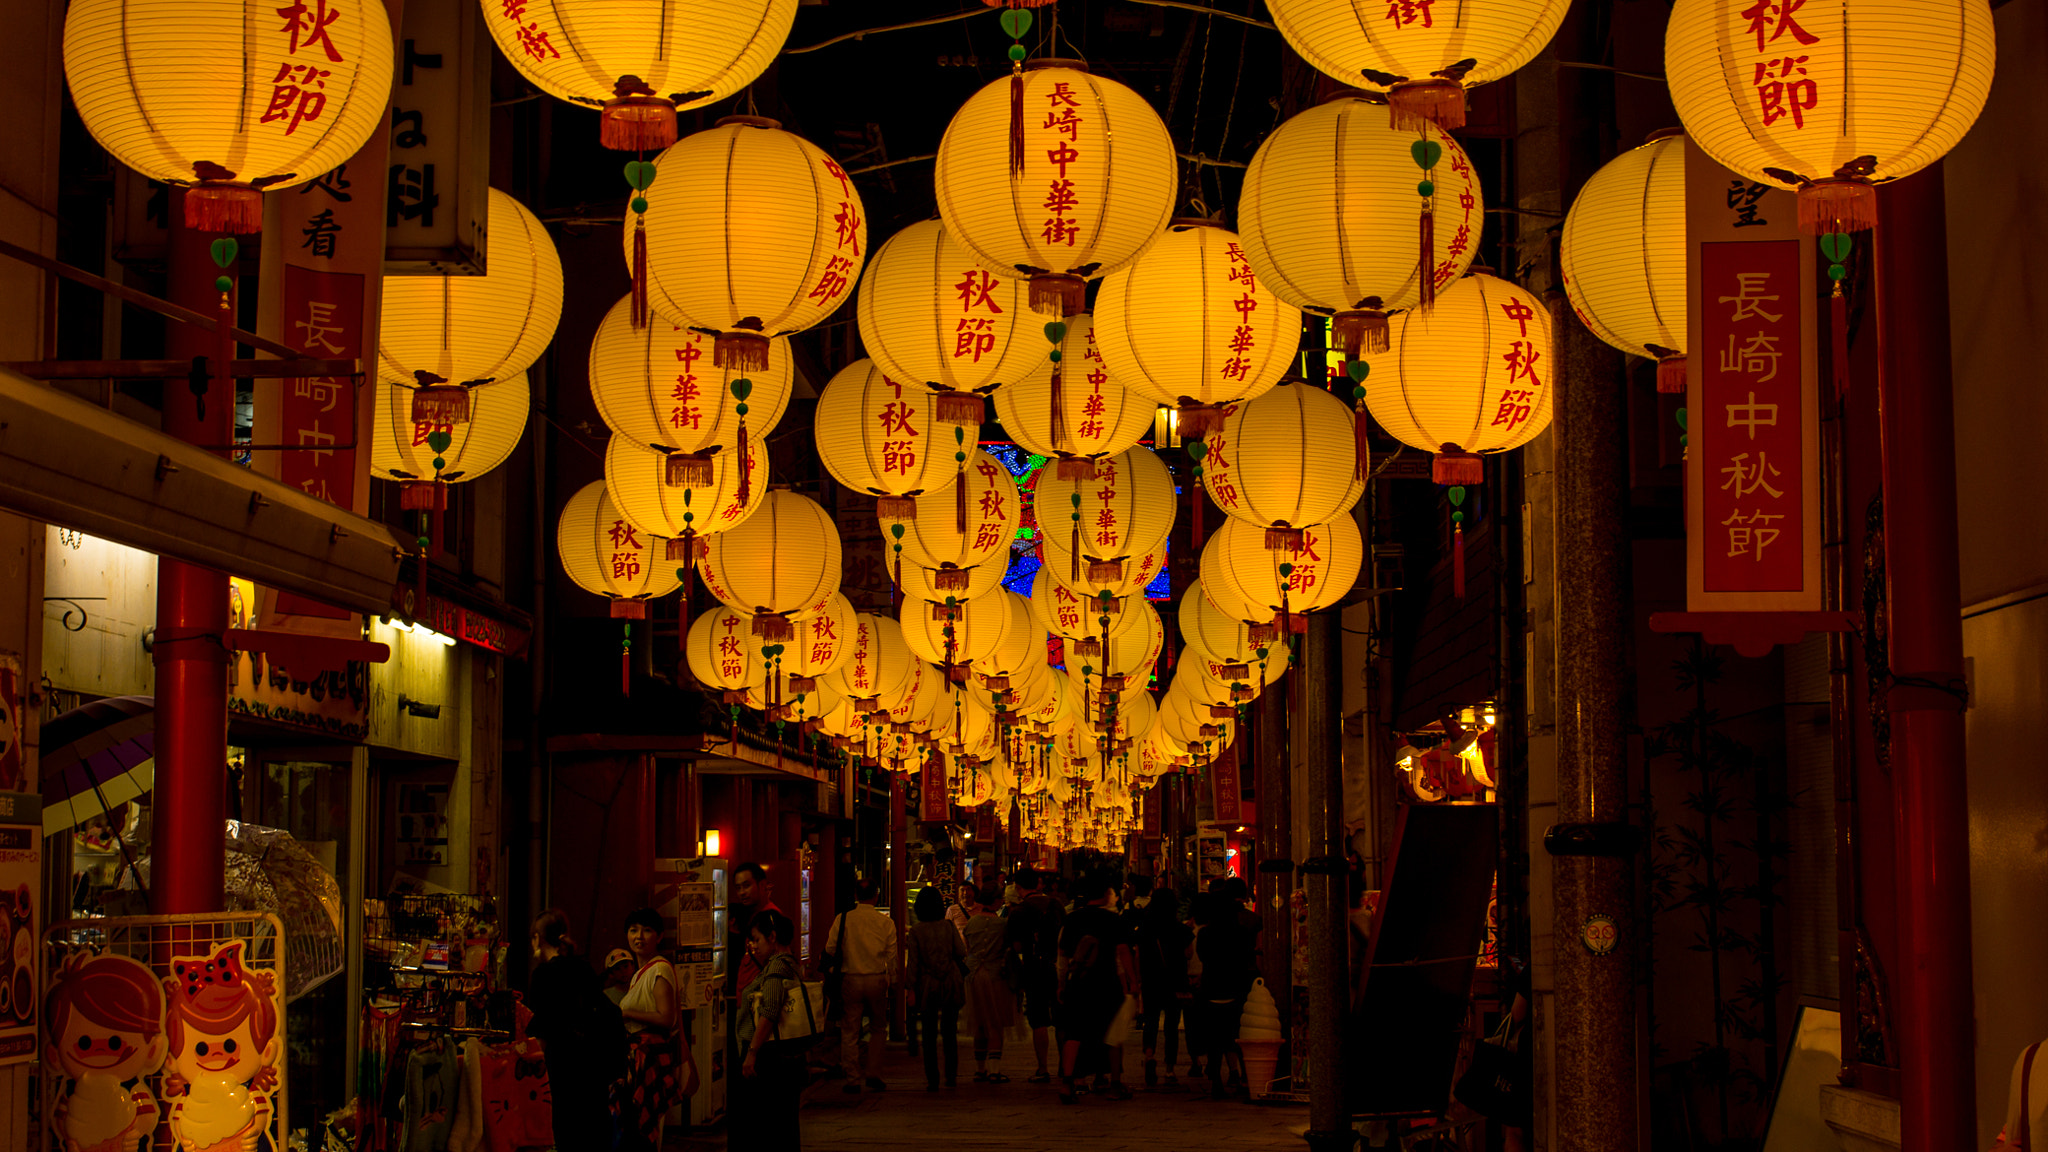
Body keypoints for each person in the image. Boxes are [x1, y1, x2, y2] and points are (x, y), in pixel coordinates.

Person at [525, 910, 616, 1152]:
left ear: (537, 938)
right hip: (593, 1066)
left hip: (562, 1068)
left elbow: (542, 1029)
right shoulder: (583, 968)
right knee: (593, 1136)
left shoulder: (543, 974)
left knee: (566, 1135)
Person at [614, 907, 694, 1152]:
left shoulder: (659, 969)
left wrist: (625, 1013)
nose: (639, 936)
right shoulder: (640, 972)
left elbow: (666, 1017)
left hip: (650, 1060)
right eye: (633, 930)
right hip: (639, 1061)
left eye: (647, 931)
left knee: (645, 1134)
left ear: (659, 936)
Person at [1057, 875, 1138, 1104]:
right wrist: (1133, 982)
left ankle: (1067, 1082)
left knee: (1074, 1034)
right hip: (1106, 981)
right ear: (1104, 894)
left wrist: (1062, 983)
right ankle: (1114, 1083)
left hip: (1077, 982)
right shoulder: (1115, 920)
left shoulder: (1071, 919)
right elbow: (1123, 951)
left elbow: (1062, 955)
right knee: (1112, 1034)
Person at [735, 909, 806, 1152]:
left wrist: (752, 1052)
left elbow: (770, 1009)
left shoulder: (777, 967)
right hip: (783, 1057)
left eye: (757, 939)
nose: (753, 946)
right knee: (783, 1123)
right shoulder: (791, 963)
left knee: (767, 1124)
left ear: (772, 937)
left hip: (769, 1057)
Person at [824, 877, 897, 1094]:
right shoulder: (886, 922)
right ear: (876, 896)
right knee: (877, 1027)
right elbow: (891, 957)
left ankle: (852, 1077)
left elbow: (830, 948)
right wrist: (891, 980)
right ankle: (873, 1074)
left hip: (851, 978)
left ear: (855, 896)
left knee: (850, 1029)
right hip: (876, 978)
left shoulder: (843, 919)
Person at [1004, 869, 1065, 1083]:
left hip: (1033, 969)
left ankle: (1042, 1068)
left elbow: (1016, 945)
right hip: (1057, 967)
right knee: (1061, 1019)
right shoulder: (1056, 905)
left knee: (1038, 1020)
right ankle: (1065, 1066)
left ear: (1019, 888)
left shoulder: (1019, 912)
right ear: (1038, 884)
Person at [903, 885, 965, 1090]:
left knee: (928, 1033)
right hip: (950, 982)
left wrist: (909, 987)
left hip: (927, 985)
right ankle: (951, 1075)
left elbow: (913, 963)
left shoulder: (917, 931)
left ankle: (933, 1079)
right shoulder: (948, 926)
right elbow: (961, 950)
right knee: (949, 1031)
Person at [1194, 893, 1255, 1099]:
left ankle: (1216, 1081)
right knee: (1237, 1034)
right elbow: (1248, 957)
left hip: (1212, 987)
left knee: (1214, 1037)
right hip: (1237, 987)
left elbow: (1202, 957)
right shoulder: (1243, 933)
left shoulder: (1205, 934)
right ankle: (1242, 1076)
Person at [1134, 890, 1191, 1088]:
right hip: (1175, 980)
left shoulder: (1144, 928)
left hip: (1151, 980)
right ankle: (1169, 1069)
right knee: (1171, 1026)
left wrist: (1138, 979)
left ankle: (1149, 1056)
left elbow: (1138, 955)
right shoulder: (1180, 929)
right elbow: (1188, 954)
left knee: (1150, 1021)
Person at [963, 884, 1017, 1083]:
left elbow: (967, 949)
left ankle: (980, 1069)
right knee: (995, 1022)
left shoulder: (972, 922)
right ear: (995, 901)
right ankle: (994, 1070)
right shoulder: (1003, 924)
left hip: (974, 974)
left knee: (978, 1022)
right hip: (995, 975)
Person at [945, 880, 975, 944]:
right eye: (962, 890)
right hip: (961, 950)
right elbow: (947, 932)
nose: (965, 893)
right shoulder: (952, 910)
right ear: (958, 893)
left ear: (973, 892)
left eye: (968, 889)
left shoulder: (980, 908)